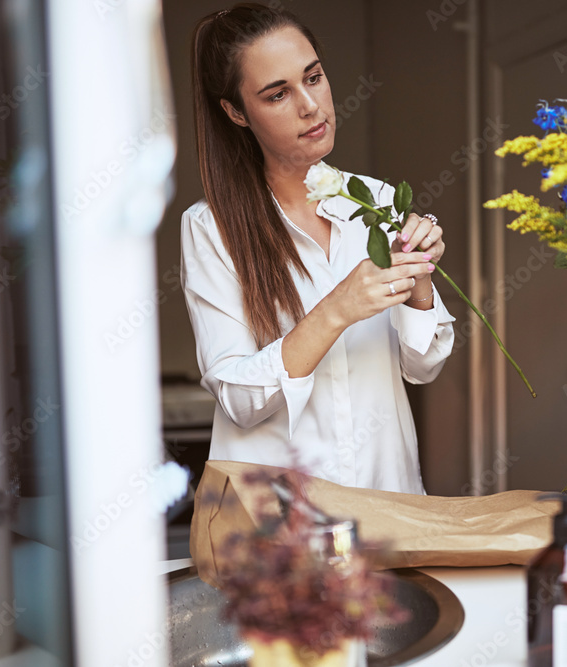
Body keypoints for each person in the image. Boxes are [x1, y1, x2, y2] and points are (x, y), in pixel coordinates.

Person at [181, 3, 455, 494]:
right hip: (280, 527)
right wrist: (337, 310)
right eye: (277, 94)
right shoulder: (211, 228)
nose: (310, 105)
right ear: (236, 111)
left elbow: (423, 366)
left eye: (314, 77)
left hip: (388, 502)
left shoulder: (378, 200)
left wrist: (420, 279)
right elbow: (239, 401)